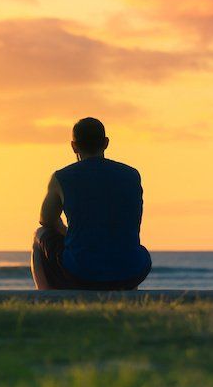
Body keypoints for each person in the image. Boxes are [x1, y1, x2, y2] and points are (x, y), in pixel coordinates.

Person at [31, 117, 151, 290]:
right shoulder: (132, 175)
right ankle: (126, 292)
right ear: (106, 143)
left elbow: (46, 220)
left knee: (39, 234)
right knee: (127, 247)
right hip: (132, 272)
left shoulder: (62, 177)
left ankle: (45, 298)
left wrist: (66, 234)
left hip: (82, 273)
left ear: (73, 146)